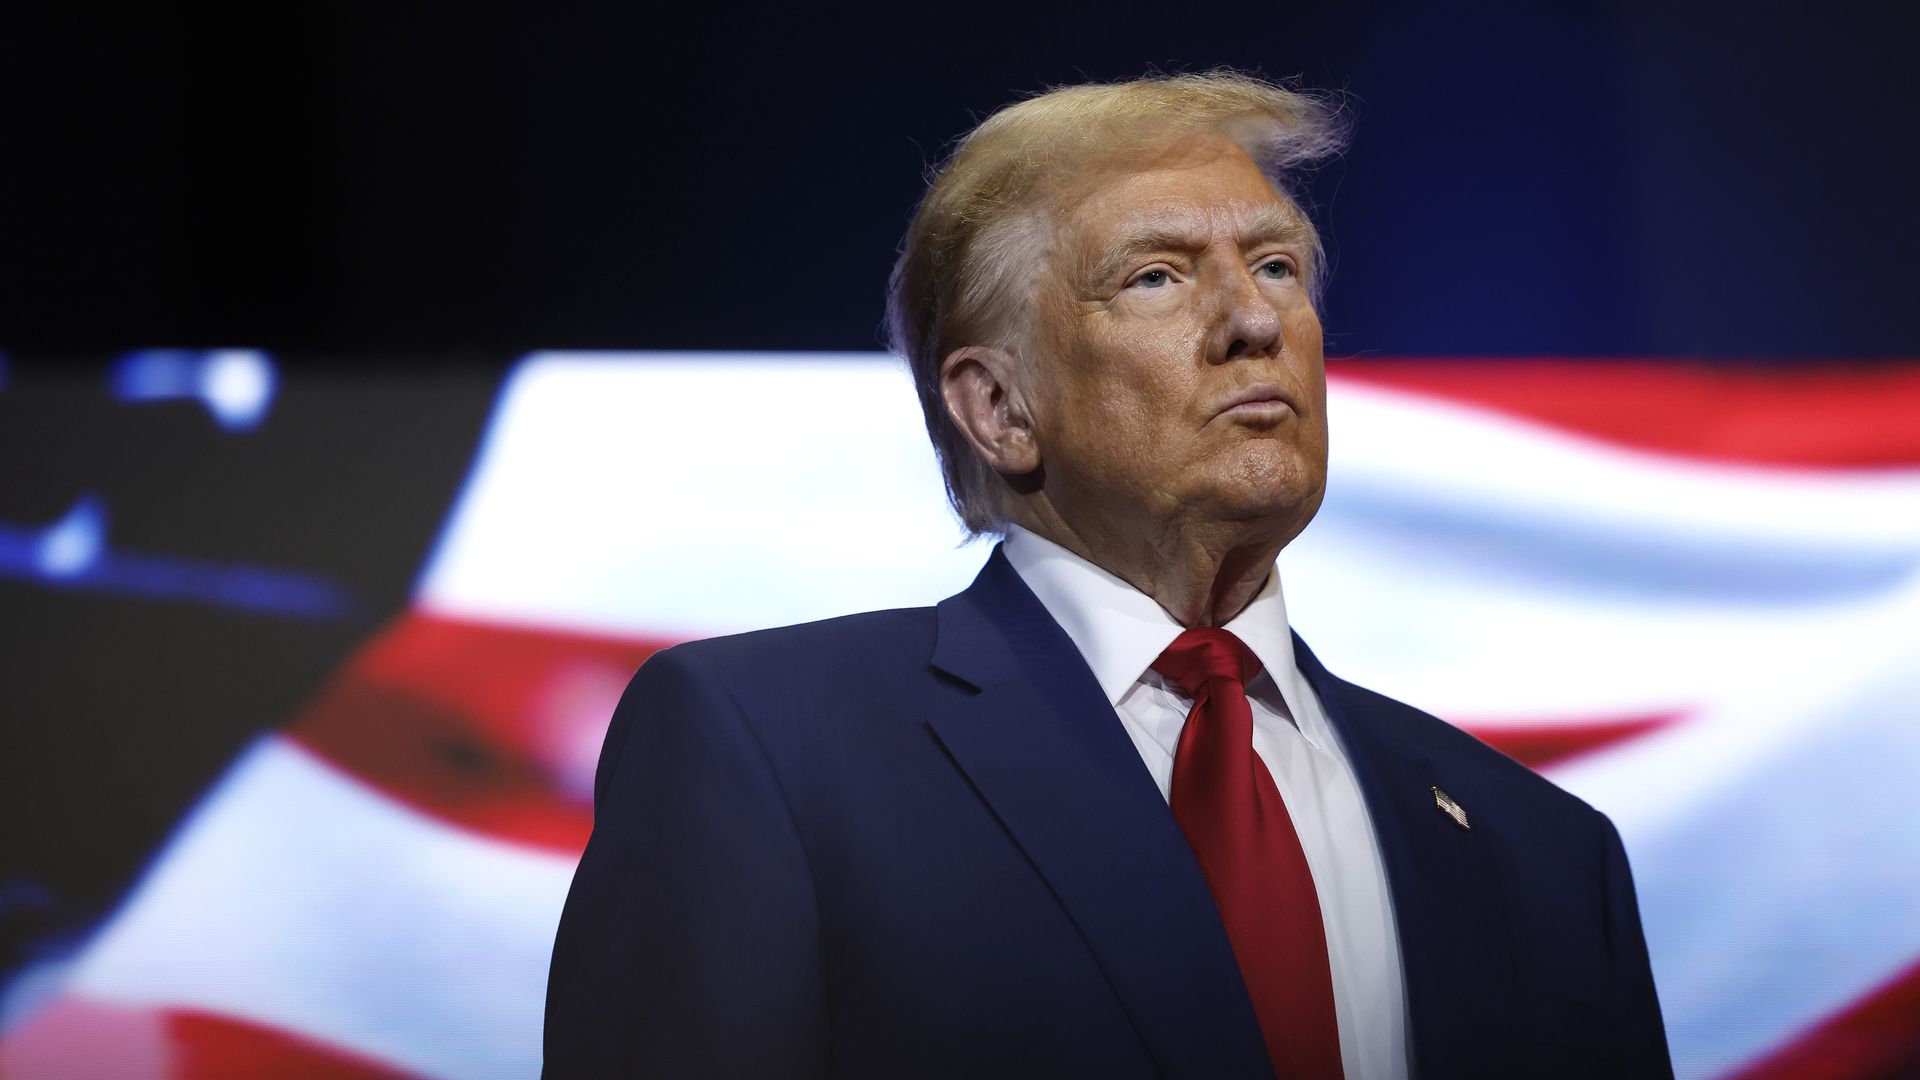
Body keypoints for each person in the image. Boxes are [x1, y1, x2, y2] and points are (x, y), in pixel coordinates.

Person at [543, 71, 1672, 1079]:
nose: (1252, 320)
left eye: (1276, 264)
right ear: (997, 407)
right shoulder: (773, 753)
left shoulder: (1544, 852)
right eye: (1155, 278)